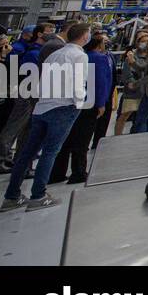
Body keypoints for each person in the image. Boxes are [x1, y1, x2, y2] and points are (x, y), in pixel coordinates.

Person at [0, 22, 90, 212]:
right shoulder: (79, 55)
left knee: (26, 154)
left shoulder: (54, 54)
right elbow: (78, 83)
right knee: (49, 152)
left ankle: (11, 196)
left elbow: (41, 80)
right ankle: (38, 196)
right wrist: (79, 103)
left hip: (42, 107)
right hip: (63, 107)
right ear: (83, 36)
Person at [49, 31, 111, 185]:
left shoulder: (76, 56)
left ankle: (57, 173)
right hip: (89, 102)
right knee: (82, 140)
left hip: (71, 100)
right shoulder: (99, 58)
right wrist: (102, 103)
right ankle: (79, 172)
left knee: (67, 138)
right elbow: (101, 83)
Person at [0, 26, 48, 173]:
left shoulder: (23, 49)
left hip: (13, 91)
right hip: (17, 92)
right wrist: (2, 57)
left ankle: (4, 157)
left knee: (11, 127)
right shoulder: (20, 49)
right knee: (10, 128)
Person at [112, 31, 148, 137]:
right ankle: (117, 137)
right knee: (123, 116)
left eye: (147, 42)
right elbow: (127, 74)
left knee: (142, 117)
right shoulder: (131, 55)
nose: (145, 44)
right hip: (132, 92)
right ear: (137, 43)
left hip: (146, 92)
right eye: (143, 41)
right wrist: (132, 83)